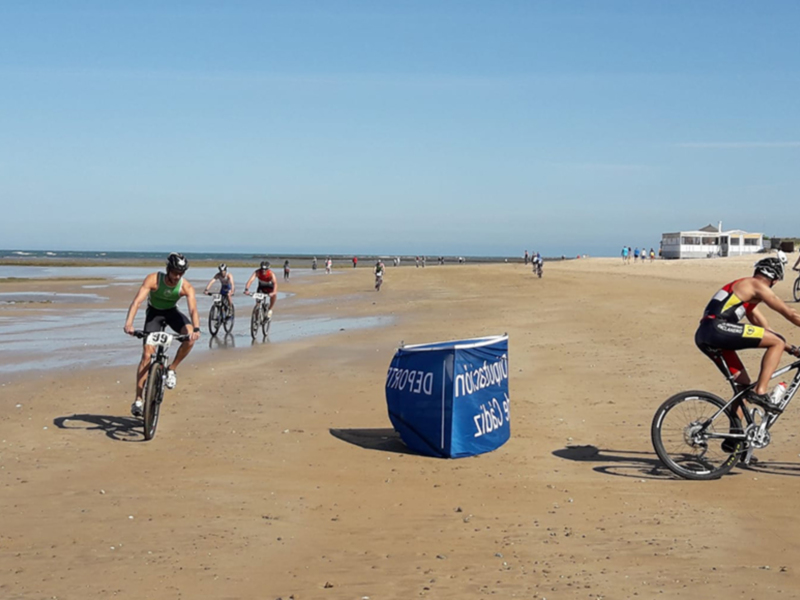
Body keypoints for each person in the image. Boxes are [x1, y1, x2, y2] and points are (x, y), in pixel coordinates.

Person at [695, 256, 800, 412]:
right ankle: (761, 391)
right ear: (775, 280)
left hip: (704, 333)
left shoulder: (744, 292)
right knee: (777, 342)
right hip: (718, 328)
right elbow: (790, 313)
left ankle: (734, 433)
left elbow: (766, 330)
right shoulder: (756, 285)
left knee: (743, 386)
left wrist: (791, 349)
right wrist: (782, 344)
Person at [123, 252, 201, 417]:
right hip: (154, 315)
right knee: (146, 355)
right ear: (168, 269)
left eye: (181, 273)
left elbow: (193, 308)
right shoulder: (153, 279)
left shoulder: (186, 286)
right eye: (175, 272)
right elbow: (137, 302)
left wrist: (196, 329)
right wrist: (129, 323)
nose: (177, 276)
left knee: (189, 337)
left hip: (172, 313)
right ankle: (138, 399)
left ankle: (171, 369)